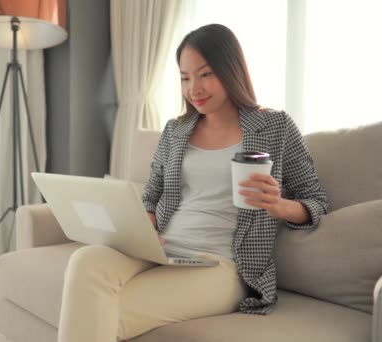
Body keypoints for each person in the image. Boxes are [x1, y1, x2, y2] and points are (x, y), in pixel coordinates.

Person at [57, 23, 329, 342]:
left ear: (231, 71)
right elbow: (152, 196)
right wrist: (143, 228)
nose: (193, 88)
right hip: (161, 250)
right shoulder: (176, 130)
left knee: (101, 312)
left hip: (220, 265)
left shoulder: (275, 126)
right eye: (185, 78)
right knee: (86, 259)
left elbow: (317, 202)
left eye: (205, 74)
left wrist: (279, 205)